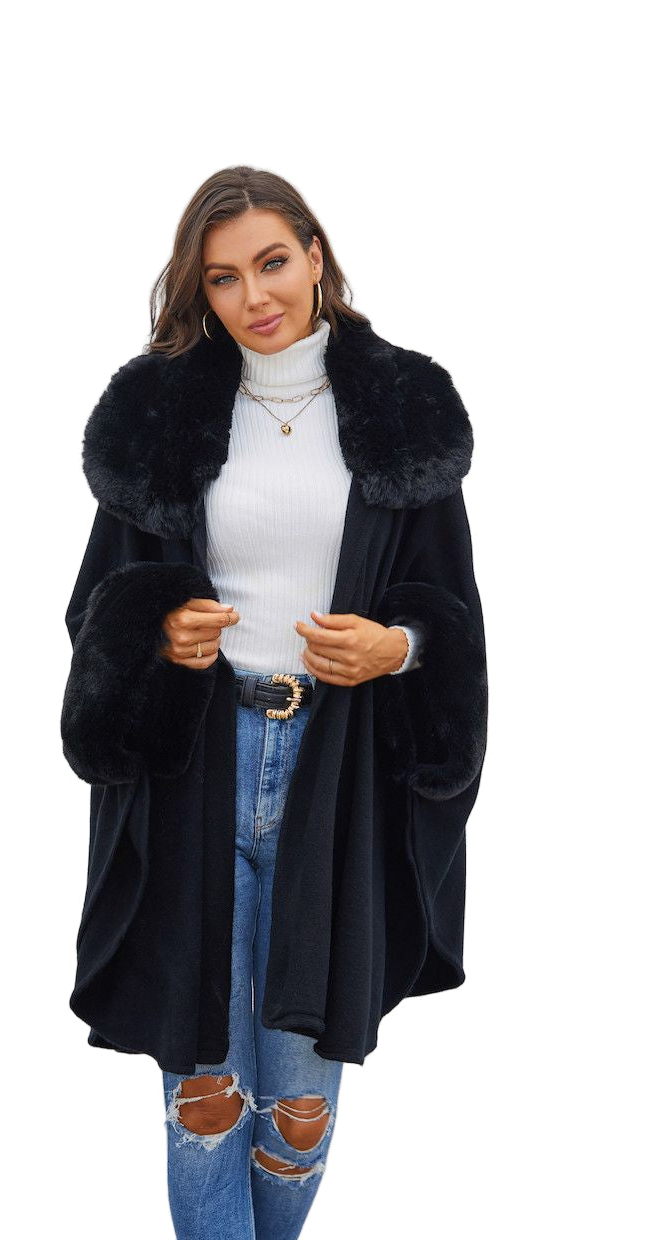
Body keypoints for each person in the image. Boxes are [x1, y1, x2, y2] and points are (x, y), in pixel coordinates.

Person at [61, 165, 488, 1240]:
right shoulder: (160, 417)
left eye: (271, 262)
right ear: (197, 291)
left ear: (314, 255)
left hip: (337, 775)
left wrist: (395, 647)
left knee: (297, 1106)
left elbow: (450, 613)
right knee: (205, 1096)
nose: (253, 295)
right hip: (194, 770)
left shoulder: (400, 413)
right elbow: (95, 605)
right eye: (221, 278)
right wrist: (158, 629)